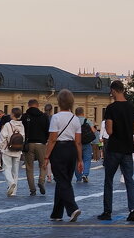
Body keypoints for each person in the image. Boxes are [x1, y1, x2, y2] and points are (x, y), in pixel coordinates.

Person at [97, 80, 134, 222]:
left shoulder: (111, 108)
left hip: (114, 148)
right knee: (129, 180)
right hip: (128, 148)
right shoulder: (132, 108)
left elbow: (109, 130)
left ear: (114, 90)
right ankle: (133, 210)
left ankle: (107, 211)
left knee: (108, 180)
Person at [45, 90, 84, 222]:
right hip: (72, 150)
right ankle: (56, 213)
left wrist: (46, 157)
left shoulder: (56, 117)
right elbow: (78, 142)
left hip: (59, 150)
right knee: (64, 180)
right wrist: (80, 159)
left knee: (62, 181)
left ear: (59, 102)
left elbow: (52, 139)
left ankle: (73, 208)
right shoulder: (75, 119)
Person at [21, 99, 49, 196]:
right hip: (41, 144)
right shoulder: (44, 116)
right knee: (43, 165)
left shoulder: (24, 117)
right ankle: (41, 181)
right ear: (38, 105)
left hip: (29, 144)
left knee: (29, 167)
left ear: (28, 105)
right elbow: (47, 130)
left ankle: (32, 189)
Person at [0, 109, 26, 196]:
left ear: (12, 115)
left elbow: (2, 137)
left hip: (7, 150)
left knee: (6, 168)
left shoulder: (7, 125)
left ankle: (11, 182)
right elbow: (23, 138)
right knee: (15, 171)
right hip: (17, 150)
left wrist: (0, 148)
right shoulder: (21, 126)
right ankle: (14, 192)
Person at [75, 107, 93, 184]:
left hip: (76, 143)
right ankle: (85, 174)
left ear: (75, 113)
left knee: (77, 160)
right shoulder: (87, 120)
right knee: (87, 159)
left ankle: (78, 177)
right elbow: (93, 130)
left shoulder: (74, 121)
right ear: (83, 113)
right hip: (86, 143)